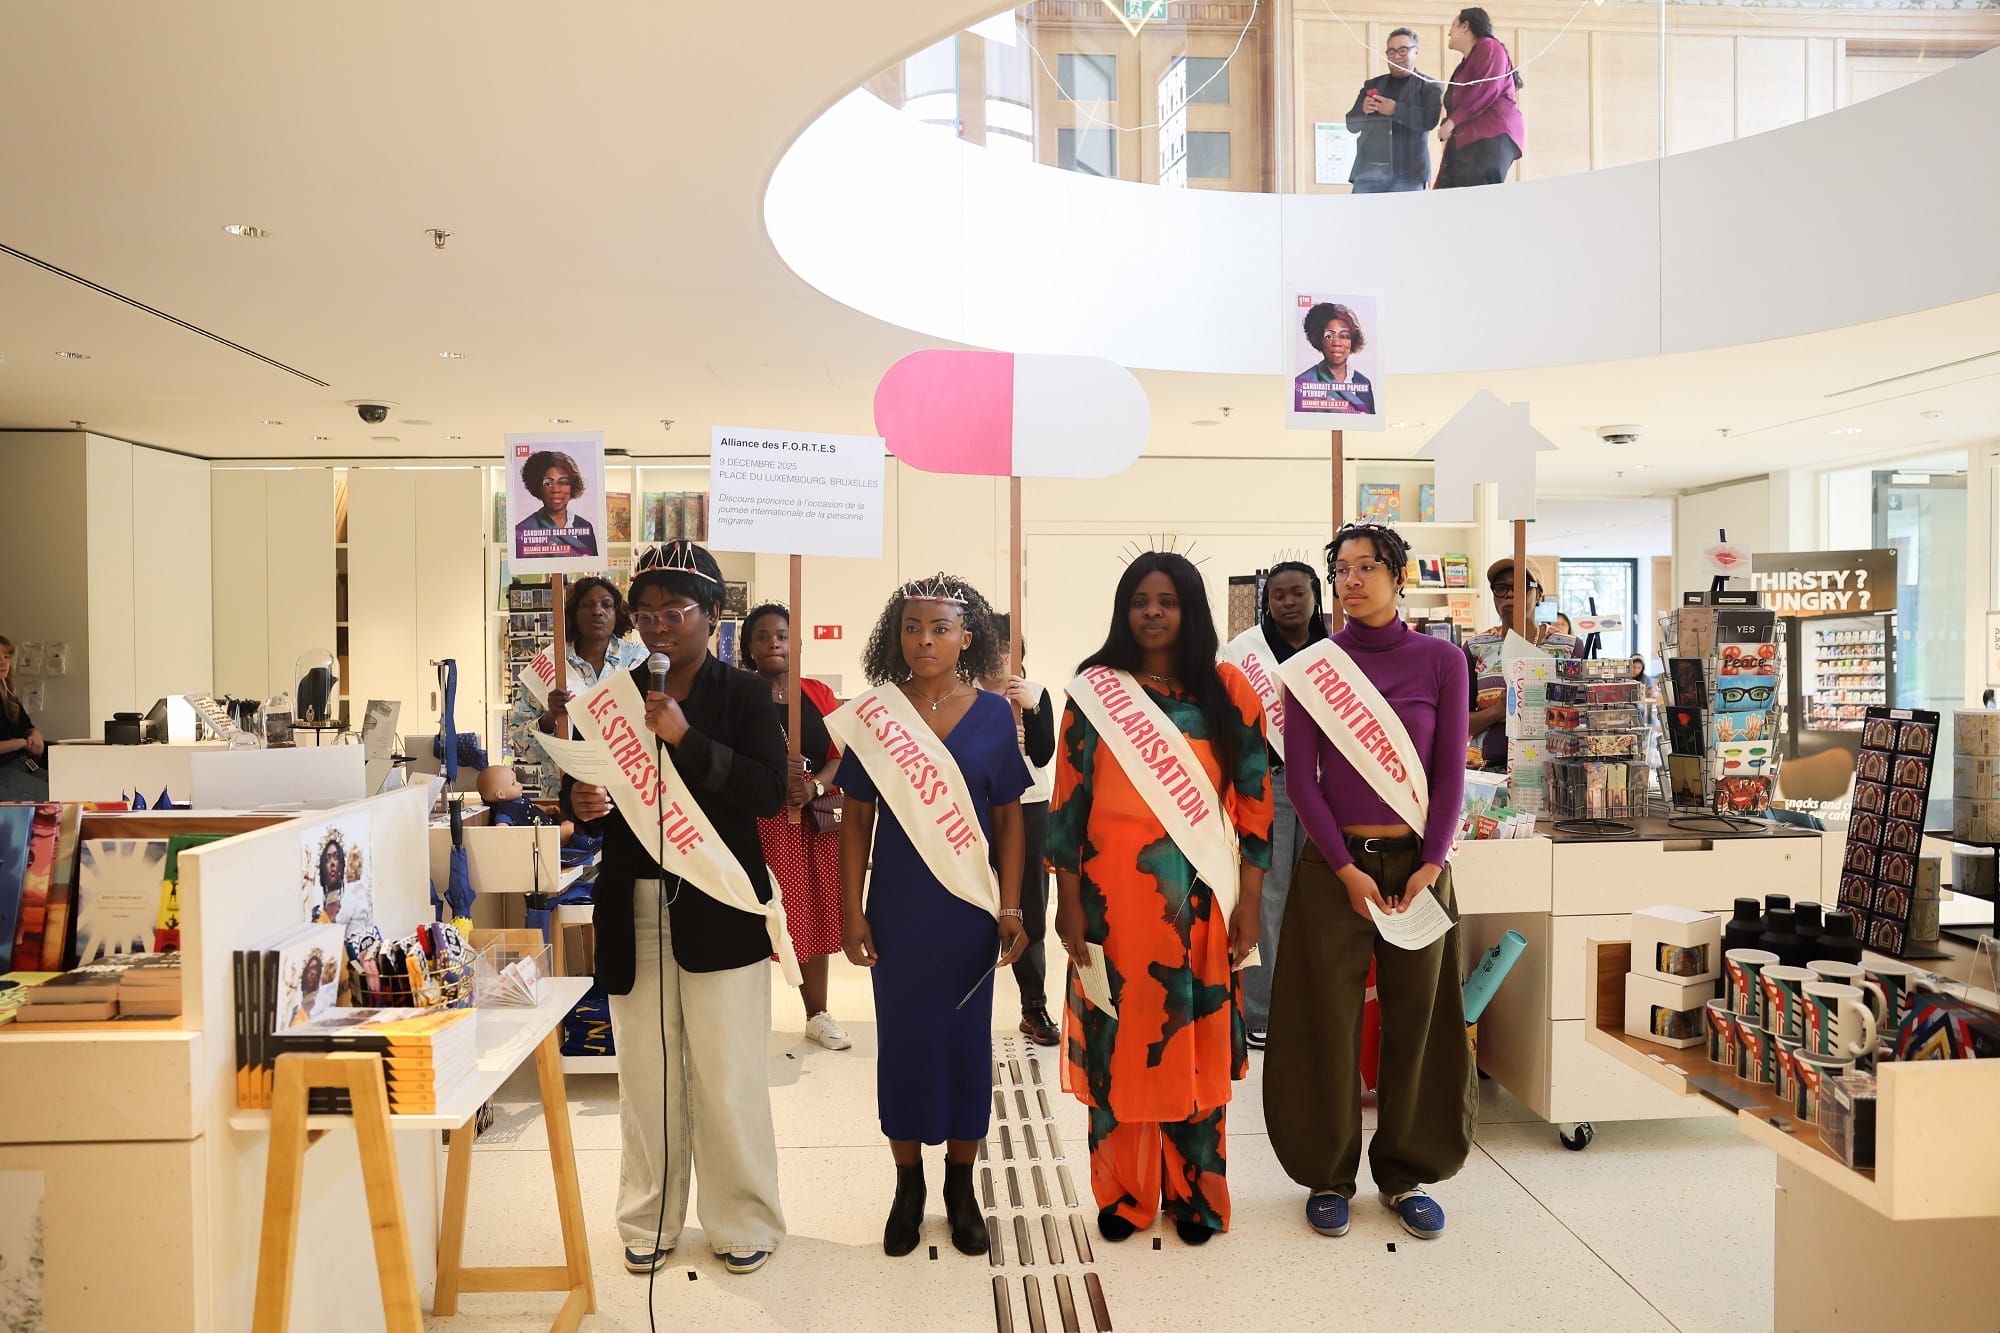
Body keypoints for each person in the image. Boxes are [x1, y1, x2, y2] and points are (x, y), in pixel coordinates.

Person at [562, 540, 789, 1278]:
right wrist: (583, 800)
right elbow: (590, 790)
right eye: (646, 614)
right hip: (635, 902)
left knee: (726, 1071)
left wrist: (688, 739)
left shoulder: (744, 693)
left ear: (713, 616)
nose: (658, 627)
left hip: (720, 901)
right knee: (647, 1072)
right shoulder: (614, 696)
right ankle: (649, 1215)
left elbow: (765, 792)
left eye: (675, 612)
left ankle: (743, 1215)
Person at [1049, 551, 1271, 1246]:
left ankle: (1194, 1194)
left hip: (1203, 901)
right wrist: (1068, 898)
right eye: (1140, 599)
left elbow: (1256, 804)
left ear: (1190, 608)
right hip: (1114, 903)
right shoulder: (1096, 689)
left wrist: (1251, 902)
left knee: (1193, 1043)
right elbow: (1067, 802)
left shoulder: (1228, 689)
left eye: (1167, 600)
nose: (1152, 611)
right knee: (1122, 1041)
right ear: (1124, 608)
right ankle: (1124, 1192)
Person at [1264, 522, 1477, 1242]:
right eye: (1342, 570)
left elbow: (1451, 771)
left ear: (1399, 575)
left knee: (1419, 1020)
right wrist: (1348, 868)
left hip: (1419, 867)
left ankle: (1405, 1171)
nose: (1351, 581)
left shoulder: (1443, 661)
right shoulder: (1314, 667)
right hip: (1335, 868)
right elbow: (1301, 779)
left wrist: (1432, 862)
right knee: (1324, 1018)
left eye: (1366, 567)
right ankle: (1328, 1174)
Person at [832, 574, 1029, 1258]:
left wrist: (1010, 904)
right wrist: (850, 909)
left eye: (940, 627)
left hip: (970, 909)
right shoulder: (875, 713)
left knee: (966, 1046)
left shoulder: (994, 714)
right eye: (912, 627)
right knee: (906, 1044)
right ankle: (907, 1184)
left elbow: (1009, 818)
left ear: (966, 638)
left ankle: (961, 1185)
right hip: (900, 907)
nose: (924, 639)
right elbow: (856, 817)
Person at [740, 603, 851, 1051]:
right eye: (763, 636)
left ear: (797, 643)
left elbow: (842, 755)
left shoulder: (818, 693)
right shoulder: (739, 694)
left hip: (812, 823)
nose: (773, 643)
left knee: (817, 912)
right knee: (756, 916)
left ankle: (817, 1014)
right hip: (758, 822)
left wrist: (815, 789)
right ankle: (745, 1018)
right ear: (748, 647)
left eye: (782, 635)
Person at [1232, 562, 1330, 1050]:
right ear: (1266, 603)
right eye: (1278, 597)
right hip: (1269, 786)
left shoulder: (1337, 650)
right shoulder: (1243, 654)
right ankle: (1261, 1011)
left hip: (1328, 788)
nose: (1288, 603)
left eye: (1297, 593)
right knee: (1268, 901)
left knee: (1317, 897)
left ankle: (1311, 1004)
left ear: (1315, 596)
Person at [981, 620, 1060, 1047]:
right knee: (975, 904)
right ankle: (966, 1005)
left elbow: (1045, 753)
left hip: (1028, 807)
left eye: (1007, 647)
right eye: (991, 646)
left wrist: (1029, 710)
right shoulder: (964, 693)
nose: (999, 655)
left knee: (1028, 907)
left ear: (1020, 652)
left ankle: (1034, 1006)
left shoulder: (1036, 691)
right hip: (976, 808)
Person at [506, 576, 649, 796]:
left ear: (617, 611)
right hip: (565, 794)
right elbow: (521, 746)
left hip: (628, 794)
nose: (597, 611)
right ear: (572, 612)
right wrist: (549, 717)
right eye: (587, 605)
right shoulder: (549, 664)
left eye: (606, 604)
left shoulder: (639, 660)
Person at [1464, 557, 1579, 772]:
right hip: (1488, 772)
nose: (1509, 593)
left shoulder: (1568, 648)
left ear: (1539, 595)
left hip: (1551, 771)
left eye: (1520, 586)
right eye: (1501, 587)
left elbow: (1581, 716)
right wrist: (1498, 711)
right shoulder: (1475, 647)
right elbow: (1459, 723)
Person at [1345, 29, 1444, 193]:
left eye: (1403, 50)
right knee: (1362, 218)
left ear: (1416, 51)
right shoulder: (1372, 84)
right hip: (1368, 172)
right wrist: (1362, 110)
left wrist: (1396, 109)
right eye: (1391, 52)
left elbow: (1429, 121)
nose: (1396, 56)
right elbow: (1351, 125)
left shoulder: (1429, 86)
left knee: (1406, 219)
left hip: (1409, 173)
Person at [1435, 7, 1524, 190]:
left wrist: (1452, 122)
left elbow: (1485, 89)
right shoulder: (1466, 64)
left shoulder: (1489, 46)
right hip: (1470, 141)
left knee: (1478, 201)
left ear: (1465, 26)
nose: (1449, 32)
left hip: (1488, 135)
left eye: (1453, 25)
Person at [1293, 303, 1376, 417]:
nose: (1337, 343)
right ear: (1319, 340)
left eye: (1344, 336)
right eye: (1329, 336)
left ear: (1353, 341)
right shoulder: (1301, 386)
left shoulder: (1363, 382)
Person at [513, 450, 599, 559]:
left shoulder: (585, 527)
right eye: (548, 483)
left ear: (572, 487)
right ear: (538, 487)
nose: (556, 490)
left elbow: (593, 570)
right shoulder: (523, 531)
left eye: (563, 483)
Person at [0, 636, 49, 801]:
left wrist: (35, 734)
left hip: (20, 763)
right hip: (4, 769)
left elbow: (27, 726)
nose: (3, 663)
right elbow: (20, 740)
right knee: (54, 798)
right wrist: (21, 743)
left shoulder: (7, 695)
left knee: (70, 787)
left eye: (6, 657)